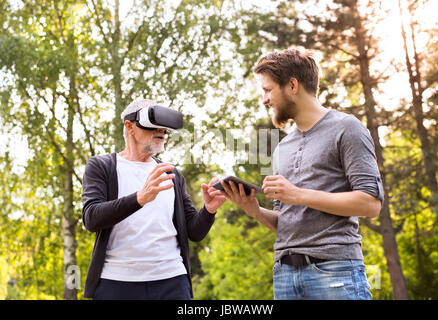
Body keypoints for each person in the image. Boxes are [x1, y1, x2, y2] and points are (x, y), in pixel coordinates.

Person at [219, 49, 384, 300]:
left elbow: (370, 204)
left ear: (292, 85)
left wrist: (298, 194)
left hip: (334, 272)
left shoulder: (347, 128)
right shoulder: (283, 147)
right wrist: (254, 210)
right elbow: (288, 221)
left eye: (268, 90)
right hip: (285, 275)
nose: (264, 100)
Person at [81, 99, 226, 300]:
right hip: (117, 283)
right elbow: (91, 218)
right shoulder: (102, 166)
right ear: (129, 126)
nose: (162, 132)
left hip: (172, 281)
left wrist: (209, 210)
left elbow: (194, 232)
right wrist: (140, 198)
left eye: (165, 129)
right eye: (154, 126)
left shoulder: (171, 173)